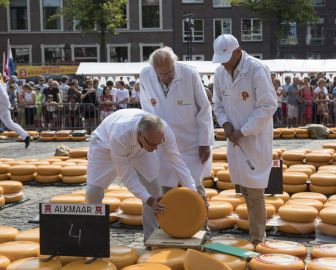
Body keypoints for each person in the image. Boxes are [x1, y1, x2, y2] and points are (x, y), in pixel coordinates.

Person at [86, 109, 198, 241]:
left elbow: (177, 161)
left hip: (142, 152)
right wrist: (149, 200)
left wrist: (194, 192)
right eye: (152, 143)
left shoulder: (164, 131)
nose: (155, 148)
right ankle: (93, 241)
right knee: (93, 192)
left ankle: (151, 239)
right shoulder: (120, 134)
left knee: (155, 190)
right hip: (104, 147)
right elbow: (127, 176)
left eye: (158, 143)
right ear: (139, 134)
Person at [139, 47, 213, 235]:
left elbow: (204, 109)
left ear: (174, 63)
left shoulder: (189, 73)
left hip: (189, 142)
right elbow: (146, 107)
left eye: (169, 72)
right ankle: (163, 231)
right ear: (154, 69)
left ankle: (202, 229)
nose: (166, 77)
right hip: (160, 142)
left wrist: (204, 141)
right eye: (161, 74)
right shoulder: (146, 75)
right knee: (162, 188)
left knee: (194, 185)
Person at [212, 34, 277, 245]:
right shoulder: (220, 73)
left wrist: (244, 131)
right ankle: (253, 233)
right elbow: (218, 104)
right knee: (246, 189)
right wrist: (225, 124)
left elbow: (268, 105)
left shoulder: (257, 69)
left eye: (227, 58)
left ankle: (258, 239)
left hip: (255, 138)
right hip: (235, 139)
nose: (224, 63)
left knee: (256, 191)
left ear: (238, 52)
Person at [0, 83, 30, 148]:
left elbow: (4, 95)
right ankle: (25, 136)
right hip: (3, 106)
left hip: (2, 106)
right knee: (10, 124)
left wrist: (7, 105)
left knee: (10, 124)